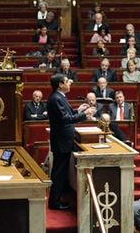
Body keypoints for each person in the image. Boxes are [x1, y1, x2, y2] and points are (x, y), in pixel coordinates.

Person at [47, 74, 95, 210]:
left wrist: (78, 110)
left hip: (63, 140)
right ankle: (54, 202)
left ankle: (56, 199)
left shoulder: (59, 97)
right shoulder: (56, 98)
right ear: (60, 84)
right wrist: (84, 115)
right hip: (61, 141)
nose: (70, 83)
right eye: (67, 81)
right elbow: (65, 119)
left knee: (60, 171)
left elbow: (67, 114)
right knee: (59, 172)